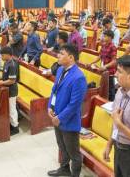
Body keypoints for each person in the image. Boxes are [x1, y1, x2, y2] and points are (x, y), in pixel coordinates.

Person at [47, 44, 87, 177]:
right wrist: (50, 107)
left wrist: (60, 118)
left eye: (61, 53)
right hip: (56, 115)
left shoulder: (79, 77)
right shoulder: (60, 70)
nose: (58, 55)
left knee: (73, 152)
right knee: (62, 146)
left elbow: (75, 104)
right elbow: (54, 91)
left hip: (68, 120)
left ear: (71, 57)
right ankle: (64, 169)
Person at [0, 47, 20, 135]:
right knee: (10, 107)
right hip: (6, 89)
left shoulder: (12, 64)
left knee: (12, 109)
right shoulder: (6, 62)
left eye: (3, 55)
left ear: (8, 55)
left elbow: (11, 80)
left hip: (12, 90)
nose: (1, 56)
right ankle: (11, 123)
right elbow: (4, 75)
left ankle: (15, 127)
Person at [89, 30, 117, 101]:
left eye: (105, 36)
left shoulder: (113, 47)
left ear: (110, 37)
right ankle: (103, 100)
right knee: (104, 86)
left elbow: (114, 61)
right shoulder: (104, 45)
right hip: (103, 69)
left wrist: (105, 66)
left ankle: (111, 102)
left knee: (110, 88)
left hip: (110, 70)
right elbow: (99, 56)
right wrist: (91, 63)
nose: (103, 37)